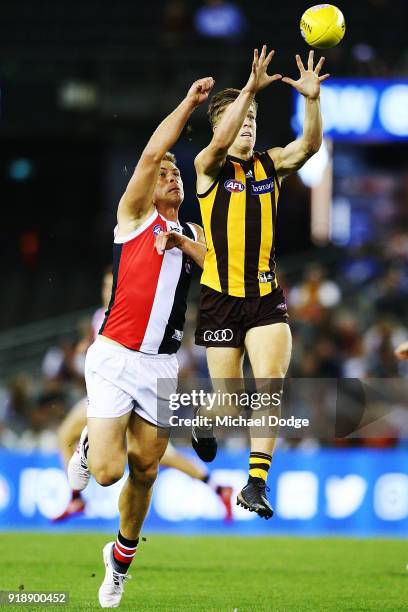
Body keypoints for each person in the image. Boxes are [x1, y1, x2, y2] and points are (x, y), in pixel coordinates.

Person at [67, 76, 214, 608]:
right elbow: (154, 150)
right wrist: (189, 104)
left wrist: (182, 242)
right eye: (167, 173)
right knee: (105, 474)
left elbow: (223, 270)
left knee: (147, 470)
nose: (173, 177)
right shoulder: (133, 218)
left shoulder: (194, 233)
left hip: (160, 365)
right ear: (149, 183)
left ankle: (120, 558)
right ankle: (88, 445)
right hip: (114, 356)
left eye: (179, 174)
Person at [193, 46, 329, 519]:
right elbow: (214, 149)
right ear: (219, 127)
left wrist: (311, 100)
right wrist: (248, 88)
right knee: (228, 406)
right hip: (219, 298)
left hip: (265, 297)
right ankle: (203, 424)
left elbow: (309, 146)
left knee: (269, 389)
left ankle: (256, 483)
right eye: (238, 117)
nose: (248, 123)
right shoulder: (207, 169)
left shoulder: (269, 165)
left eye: (252, 116)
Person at [55, 267, 232, 522]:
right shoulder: (99, 317)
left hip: (134, 387)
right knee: (67, 435)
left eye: (112, 285)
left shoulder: (134, 311)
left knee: (158, 457)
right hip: (109, 391)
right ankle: (217, 486)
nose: (108, 291)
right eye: (105, 287)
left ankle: (78, 487)